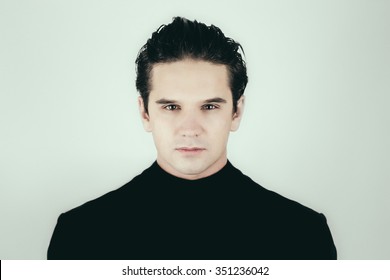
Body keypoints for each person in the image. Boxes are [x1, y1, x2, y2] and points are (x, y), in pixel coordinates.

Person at [47, 16, 337, 260]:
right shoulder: (80, 234)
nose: (190, 128)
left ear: (236, 112)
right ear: (145, 113)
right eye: (171, 107)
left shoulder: (302, 234)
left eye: (209, 106)